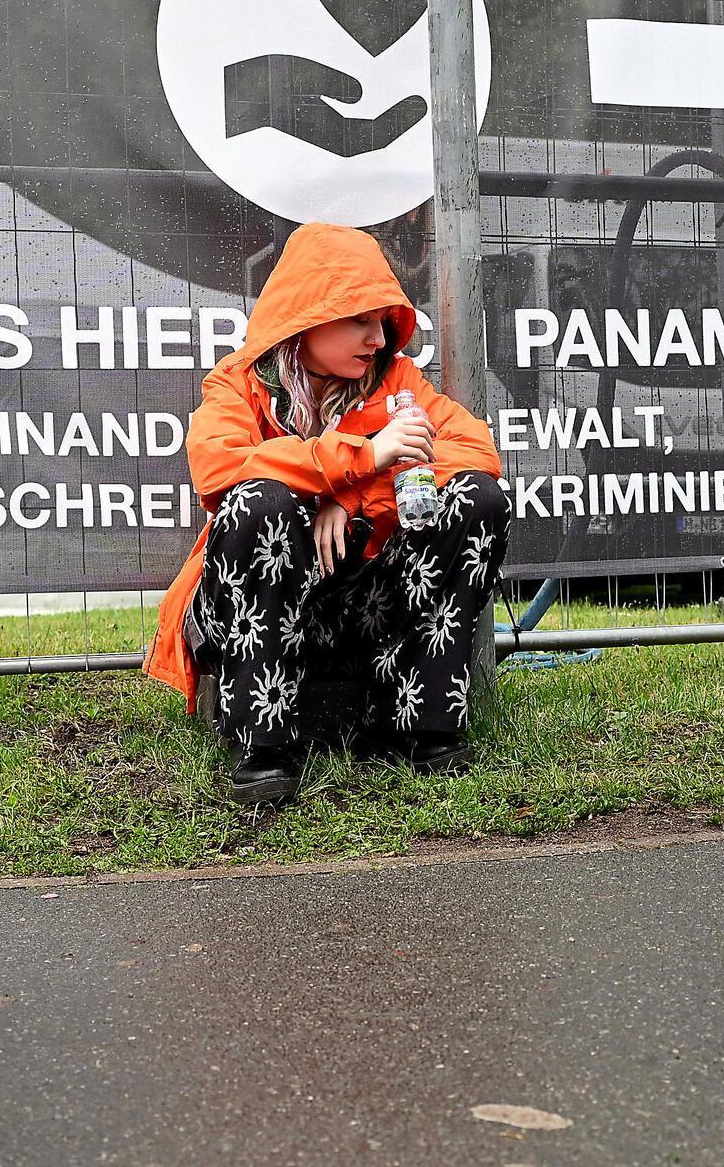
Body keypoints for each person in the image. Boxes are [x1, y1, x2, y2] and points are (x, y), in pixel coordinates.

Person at [146, 224, 509, 806]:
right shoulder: (240, 383)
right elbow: (218, 470)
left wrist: (353, 493)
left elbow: (474, 451)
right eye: (359, 318)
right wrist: (359, 455)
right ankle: (263, 747)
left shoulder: (395, 381)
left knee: (477, 497)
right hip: (256, 610)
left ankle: (418, 725)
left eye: (384, 320)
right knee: (260, 500)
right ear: (308, 317)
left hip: (363, 606)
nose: (377, 336)